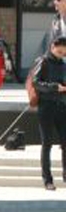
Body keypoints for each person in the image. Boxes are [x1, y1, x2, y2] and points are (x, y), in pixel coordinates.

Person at [31, 35, 66, 190]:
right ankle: (47, 180)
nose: (61, 55)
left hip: (62, 105)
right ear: (52, 47)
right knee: (47, 144)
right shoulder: (43, 61)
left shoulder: (63, 63)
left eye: (63, 53)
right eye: (59, 52)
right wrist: (54, 87)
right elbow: (35, 82)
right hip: (46, 106)